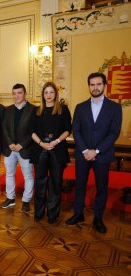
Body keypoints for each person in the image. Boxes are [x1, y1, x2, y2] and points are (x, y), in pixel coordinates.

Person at [66, 72, 122, 233]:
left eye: (98, 84)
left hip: (102, 155)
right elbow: (75, 130)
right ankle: (78, 214)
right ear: (88, 86)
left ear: (104, 85)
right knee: (80, 186)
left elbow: (113, 133)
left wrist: (96, 151)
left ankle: (98, 218)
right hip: (82, 155)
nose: (95, 87)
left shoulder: (114, 108)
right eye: (92, 84)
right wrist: (85, 150)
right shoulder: (80, 107)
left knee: (101, 188)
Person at [30, 82, 72, 224]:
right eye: (46, 92)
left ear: (56, 94)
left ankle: (52, 215)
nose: (48, 95)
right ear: (43, 94)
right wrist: (42, 143)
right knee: (40, 182)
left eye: (51, 92)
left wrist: (56, 142)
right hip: (40, 149)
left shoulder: (63, 110)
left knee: (55, 183)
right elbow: (31, 132)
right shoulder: (37, 111)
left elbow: (67, 130)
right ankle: (39, 212)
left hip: (57, 149)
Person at [1, 83, 36, 212]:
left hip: (25, 149)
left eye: (19, 93)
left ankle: (26, 201)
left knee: (28, 176)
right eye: (14, 93)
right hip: (9, 149)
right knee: (9, 174)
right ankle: (10, 199)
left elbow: (34, 130)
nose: (16, 96)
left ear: (25, 93)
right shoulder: (8, 109)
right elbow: (4, 128)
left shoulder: (34, 109)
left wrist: (22, 144)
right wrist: (10, 143)